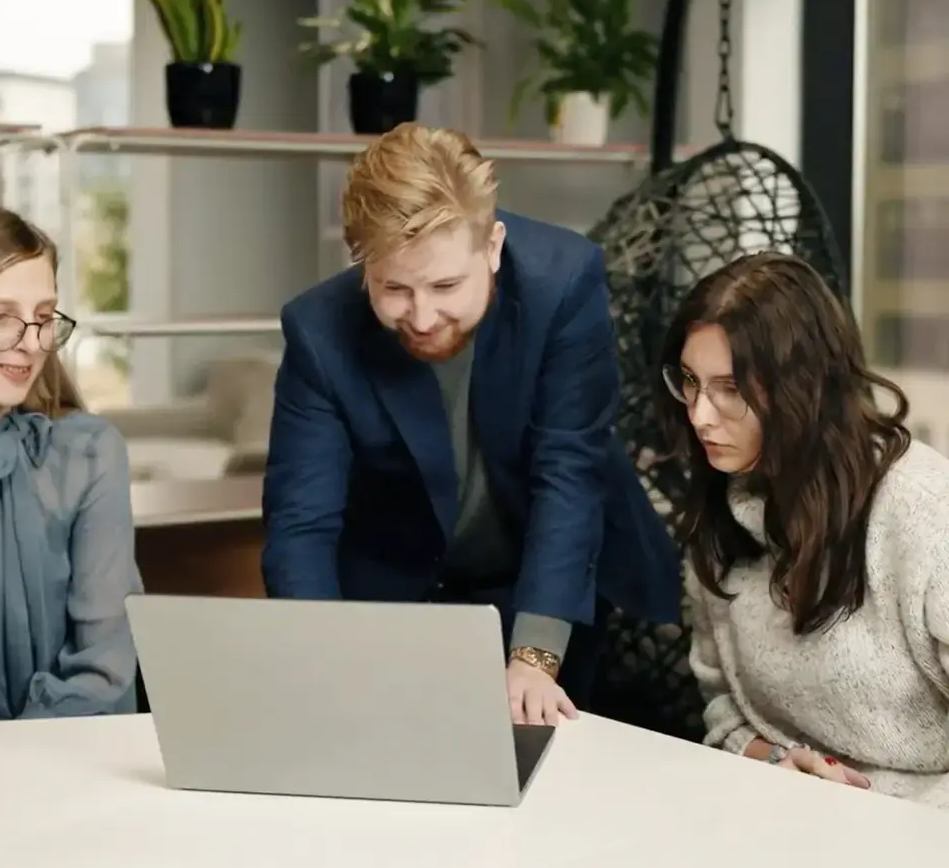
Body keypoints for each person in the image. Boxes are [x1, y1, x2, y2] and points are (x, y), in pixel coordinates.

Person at [262, 124, 680, 725]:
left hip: (552, 579)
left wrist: (533, 655)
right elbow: (301, 521)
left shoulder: (564, 282)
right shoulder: (318, 331)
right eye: (395, 289)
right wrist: (323, 659)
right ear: (362, 265)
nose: (423, 316)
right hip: (401, 587)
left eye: (446, 285)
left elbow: (569, 472)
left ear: (493, 246)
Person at [659, 250, 949, 808]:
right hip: (781, 819)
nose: (699, 414)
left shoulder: (922, 509)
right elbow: (721, 707)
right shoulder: (723, 507)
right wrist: (774, 762)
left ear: (805, 389)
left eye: (731, 389)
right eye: (691, 382)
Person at [0, 204, 143, 723]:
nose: (28, 343)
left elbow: (105, 671)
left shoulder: (88, 454)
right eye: (0, 317)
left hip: (65, 770)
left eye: (43, 318)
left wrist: (21, 764)